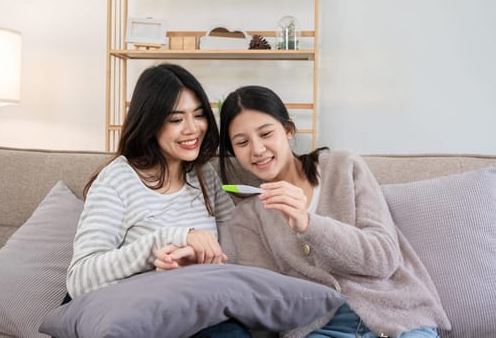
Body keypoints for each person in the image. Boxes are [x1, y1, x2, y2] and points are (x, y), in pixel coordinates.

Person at [156, 85, 452, 338]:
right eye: (242, 142)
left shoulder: (343, 168)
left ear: (288, 131)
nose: (257, 149)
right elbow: (264, 301)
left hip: (398, 318)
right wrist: (198, 267)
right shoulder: (247, 218)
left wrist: (308, 223)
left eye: (266, 133)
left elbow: (383, 259)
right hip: (321, 329)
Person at [65, 63, 250, 338]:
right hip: (130, 312)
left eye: (198, 115)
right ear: (150, 123)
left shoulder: (202, 174)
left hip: (191, 303)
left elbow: (236, 248)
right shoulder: (118, 179)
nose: (192, 129)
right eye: (176, 120)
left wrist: (197, 260)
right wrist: (165, 242)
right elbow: (79, 279)